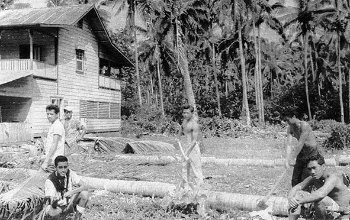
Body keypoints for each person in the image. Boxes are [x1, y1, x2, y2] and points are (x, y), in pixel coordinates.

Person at [288, 153, 350, 220]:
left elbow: (320, 194)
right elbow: (298, 187)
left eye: (314, 168)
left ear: (323, 167)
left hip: (342, 212)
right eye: (309, 169)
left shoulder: (332, 177)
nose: (312, 172)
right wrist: (291, 198)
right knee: (297, 195)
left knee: (320, 200)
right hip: (328, 211)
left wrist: (298, 201)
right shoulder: (314, 177)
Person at [44, 155, 90, 220]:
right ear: (55, 168)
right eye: (60, 167)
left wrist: (71, 192)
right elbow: (50, 202)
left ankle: (77, 218)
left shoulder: (69, 173)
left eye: (65, 167)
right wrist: (55, 200)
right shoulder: (50, 181)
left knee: (85, 194)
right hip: (58, 206)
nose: (63, 170)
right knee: (51, 212)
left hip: (69, 202)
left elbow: (84, 186)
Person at [285, 116, 320, 186]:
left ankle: (307, 194)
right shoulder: (290, 128)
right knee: (295, 178)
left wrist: (292, 158)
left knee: (306, 177)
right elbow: (289, 145)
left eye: (288, 119)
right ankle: (294, 195)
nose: (287, 121)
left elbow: (300, 143)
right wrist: (287, 160)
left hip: (311, 152)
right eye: (285, 120)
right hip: (302, 151)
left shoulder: (304, 125)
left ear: (294, 117)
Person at [178, 105, 204, 189]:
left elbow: (194, 141)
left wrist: (187, 152)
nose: (185, 115)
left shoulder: (194, 124)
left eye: (187, 113)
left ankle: (199, 189)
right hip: (186, 147)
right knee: (184, 168)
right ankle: (185, 188)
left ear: (192, 113)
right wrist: (178, 137)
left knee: (196, 169)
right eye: (184, 113)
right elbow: (181, 128)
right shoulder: (184, 121)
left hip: (193, 149)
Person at [42, 104, 65, 173]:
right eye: (47, 114)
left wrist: (46, 161)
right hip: (52, 158)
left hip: (55, 158)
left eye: (51, 114)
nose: (49, 116)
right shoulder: (53, 125)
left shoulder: (57, 125)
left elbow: (54, 144)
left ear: (57, 114)